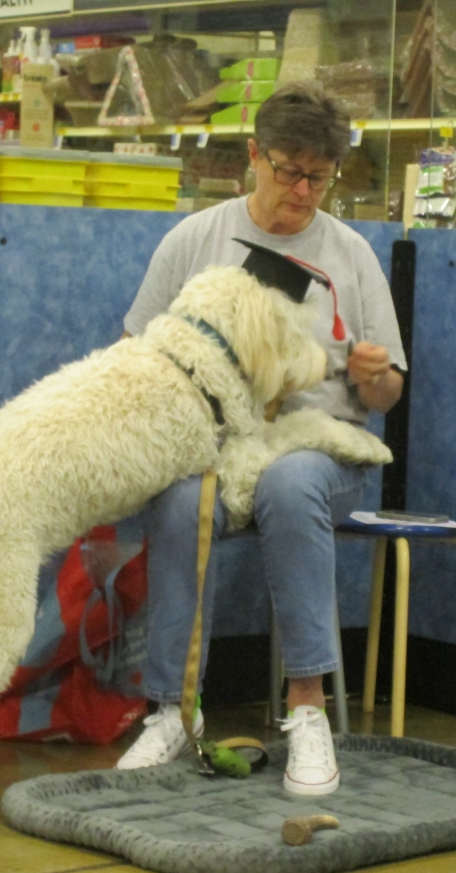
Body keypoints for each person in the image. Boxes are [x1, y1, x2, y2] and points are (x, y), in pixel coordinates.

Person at [115, 82, 407, 795]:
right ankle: (173, 710)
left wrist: (373, 377)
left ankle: (307, 711)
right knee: (181, 500)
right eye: (290, 171)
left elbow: (389, 394)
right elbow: (134, 352)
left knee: (290, 481)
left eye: (320, 178)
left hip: (321, 445)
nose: (303, 192)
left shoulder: (352, 255)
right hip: (217, 444)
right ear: (254, 155)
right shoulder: (194, 240)